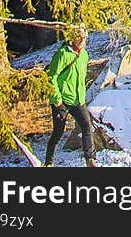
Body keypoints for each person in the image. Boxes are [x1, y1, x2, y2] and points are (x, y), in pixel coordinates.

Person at [44, 25, 97, 167]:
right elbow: (51, 77)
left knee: (87, 127)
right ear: (72, 37)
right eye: (79, 37)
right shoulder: (62, 54)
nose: (81, 40)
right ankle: (48, 163)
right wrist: (57, 101)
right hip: (62, 100)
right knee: (58, 133)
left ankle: (90, 160)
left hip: (78, 99)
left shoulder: (84, 55)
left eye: (84, 37)